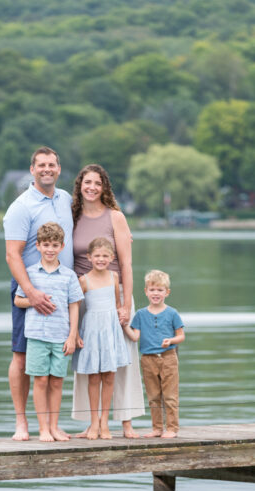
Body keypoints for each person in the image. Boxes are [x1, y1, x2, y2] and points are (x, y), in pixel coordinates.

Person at [3, 147, 74, 441]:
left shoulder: (66, 199)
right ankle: (22, 423)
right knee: (22, 356)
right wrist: (31, 293)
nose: (47, 169)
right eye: (41, 165)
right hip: (29, 289)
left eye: (52, 165)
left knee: (55, 366)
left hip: (62, 289)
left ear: (59, 169)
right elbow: (12, 254)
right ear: (32, 169)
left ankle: (52, 424)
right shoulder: (21, 206)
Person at [70, 164, 144, 438]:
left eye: (97, 183)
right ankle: (93, 422)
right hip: (85, 295)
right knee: (88, 360)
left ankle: (125, 422)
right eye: (87, 182)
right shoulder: (72, 216)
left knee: (121, 359)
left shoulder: (116, 217)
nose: (92, 187)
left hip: (115, 295)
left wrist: (124, 305)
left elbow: (126, 263)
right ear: (79, 185)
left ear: (104, 187)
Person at [13, 222, 83, 442]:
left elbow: (74, 305)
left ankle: (54, 426)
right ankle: (43, 428)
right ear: (38, 246)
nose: (50, 249)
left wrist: (72, 335)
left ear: (62, 246)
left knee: (57, 382)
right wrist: (34, 301)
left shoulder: (69, 276)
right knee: (41, 381)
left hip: (61, 338)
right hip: (37, 336)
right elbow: (18, 300)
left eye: (54, 245)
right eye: (46, 245)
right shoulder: (30, 274)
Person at [71, 237, 130, 440]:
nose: (101, 259)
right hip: (92, 331)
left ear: (112, 257)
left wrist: (122, 318)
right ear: (89, 257)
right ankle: (94, 421)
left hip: (110, 331)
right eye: (97, 256)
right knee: (94, 377)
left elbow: (116, 303)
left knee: (109, 376)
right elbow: (76, 309)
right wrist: (76, 333)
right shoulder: (83, 280)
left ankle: (105, 420)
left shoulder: (114, 277)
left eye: (105, 256)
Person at [122, 269, 185, 439]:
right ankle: (157, 428)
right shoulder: (141, 314)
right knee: (153, 396)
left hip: (168, 358)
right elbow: (135, 337)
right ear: (146, 291)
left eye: (159, 290)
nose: (155, 293)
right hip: (148, 360)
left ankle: (172, 428)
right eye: (152, 290)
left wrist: (170, 341)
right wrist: (124, 326)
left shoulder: (172, 313)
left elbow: (181, 336)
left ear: (167, 292)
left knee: (170, 396)